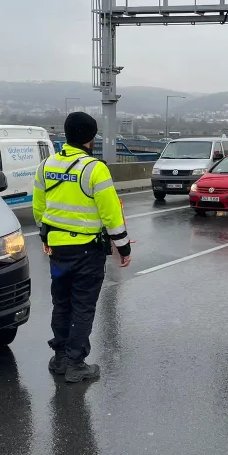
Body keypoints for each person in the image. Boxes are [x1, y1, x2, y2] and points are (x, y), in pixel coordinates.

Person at [33, 112, 131, 383]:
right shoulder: (94, 169)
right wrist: (123, 248)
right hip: (87, 250)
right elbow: (111, 214)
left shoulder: (46, 165)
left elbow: (38, 207)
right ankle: (76, 363)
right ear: (90, 138)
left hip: (57, 248)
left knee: (61, 303)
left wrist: (47, 236)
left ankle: (61, 358)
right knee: (83, 306)